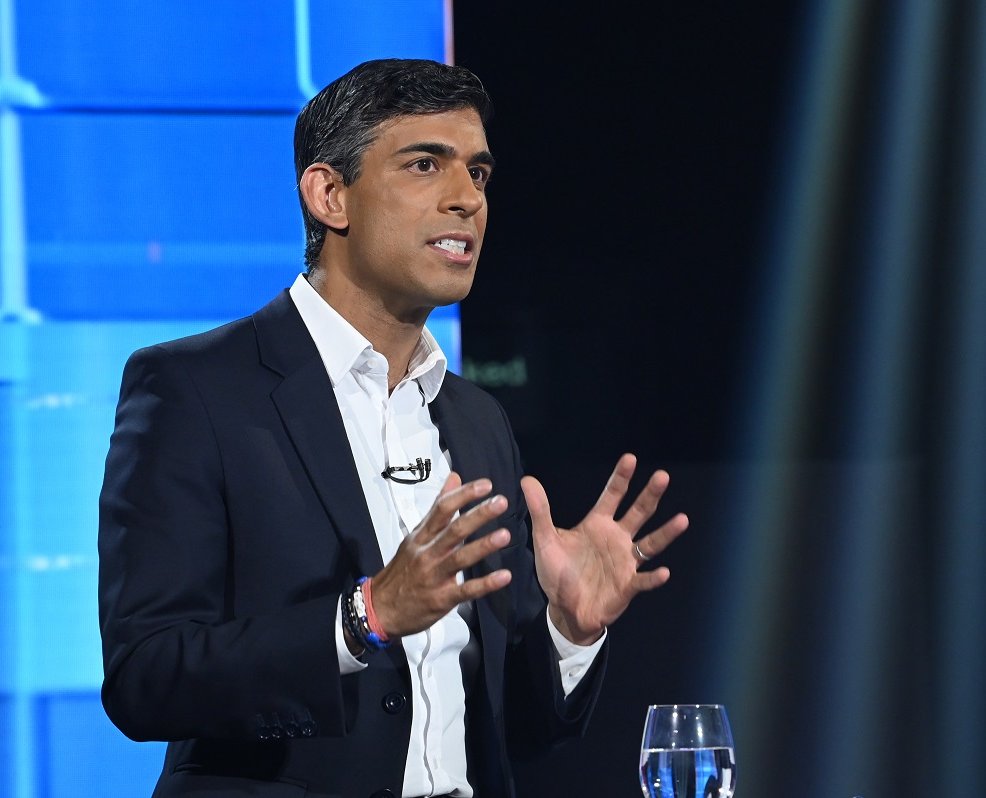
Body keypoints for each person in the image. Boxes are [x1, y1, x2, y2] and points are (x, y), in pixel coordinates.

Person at [98, 58, 688, 798]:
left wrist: (569, 631)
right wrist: (365, 617)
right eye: (424, 164)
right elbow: (146, 677)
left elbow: (517, 732)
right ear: (329, 195)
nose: (466, 198)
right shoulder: (195, 389)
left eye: (478, 172)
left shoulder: (477, 419)